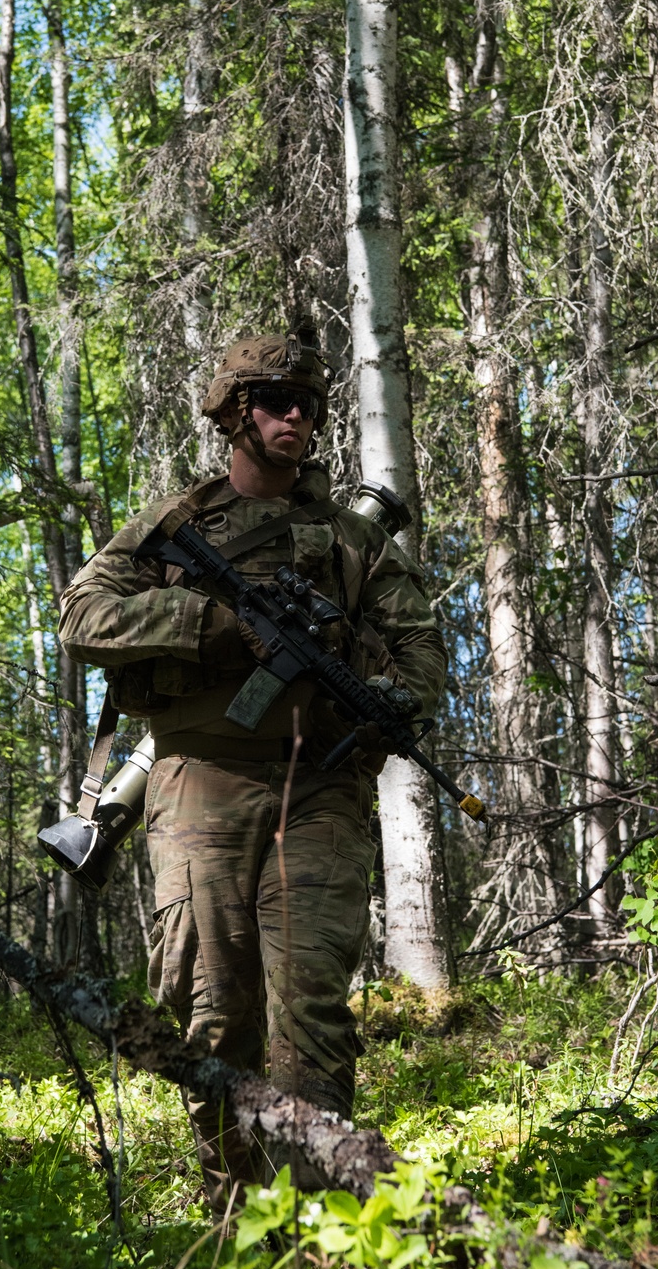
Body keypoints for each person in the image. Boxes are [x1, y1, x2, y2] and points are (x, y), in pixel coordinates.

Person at [59, 331, 448, 1213]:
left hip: (319, 790)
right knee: (214, 1015)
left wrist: (392, 698)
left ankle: (323, 1224)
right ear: (235, 412)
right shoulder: (172, 528)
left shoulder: (353, 541)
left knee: (310, 1012)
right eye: (276, 400)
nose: (296, 417)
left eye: (309, 403)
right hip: (199, 781)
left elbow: (423, 647)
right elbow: (83, 617)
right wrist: (213, 625)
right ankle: (233, 1221)